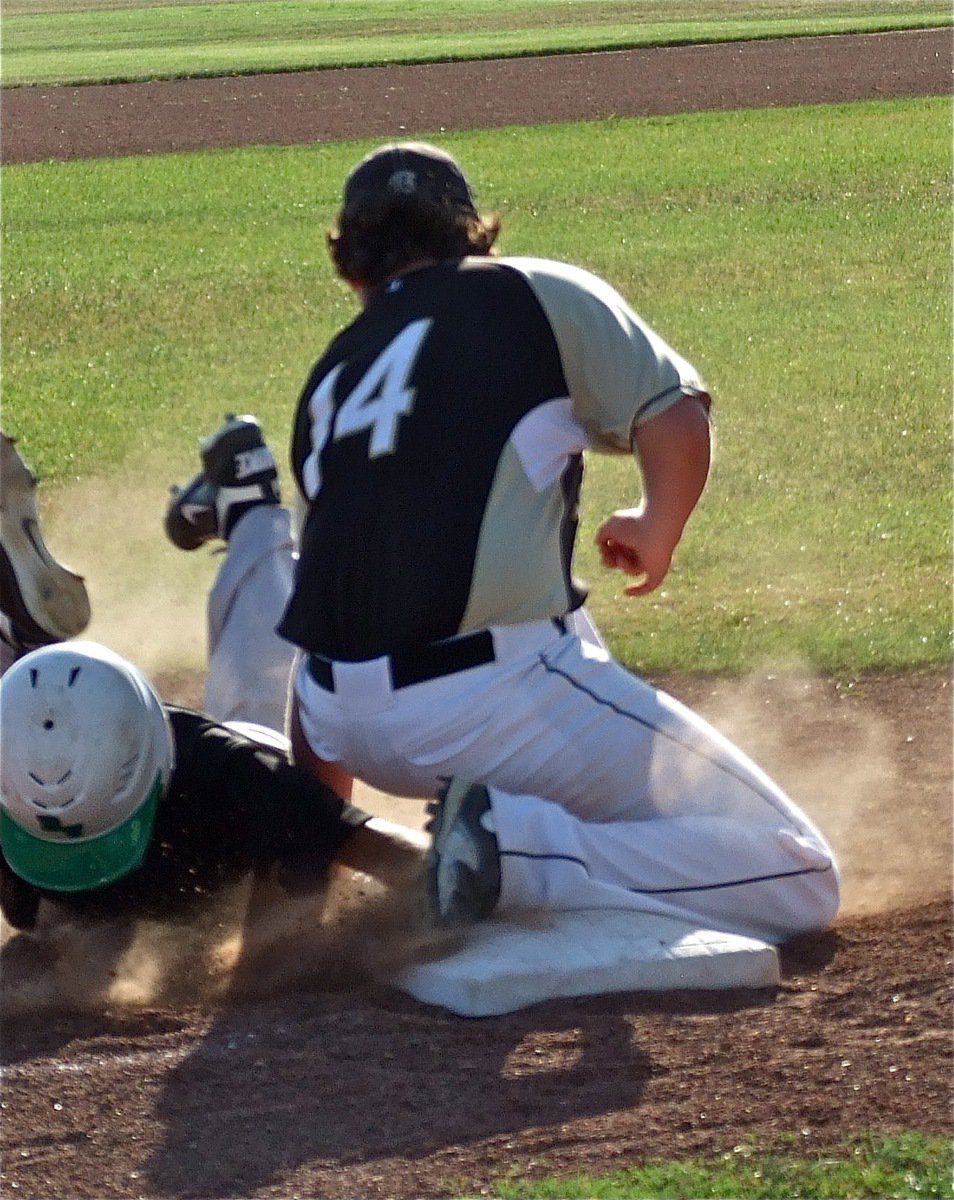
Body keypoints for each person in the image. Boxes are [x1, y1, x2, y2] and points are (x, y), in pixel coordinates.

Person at [277, 140, 841, 943]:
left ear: (354, 269)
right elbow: (674, 415)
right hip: (490, 707)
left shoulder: (333, 373)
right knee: (799, 873)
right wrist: (657, 523)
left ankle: (504, 837)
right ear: (472, 236)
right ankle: (518, 858)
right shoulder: (528, 291)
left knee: (566, 617)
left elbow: (324, 607)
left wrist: (317, 829)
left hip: (340, 722)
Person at [0, 431, 426, 934]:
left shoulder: (235, 780)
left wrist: (470, 884)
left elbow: (407, 859)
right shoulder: (21, 756)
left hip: (244, 812)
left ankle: (249, 507)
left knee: (267, 676)